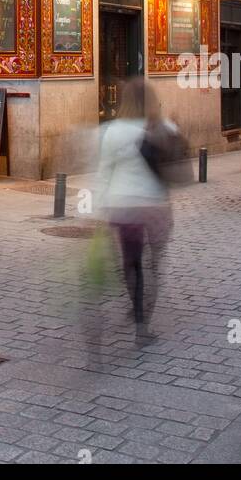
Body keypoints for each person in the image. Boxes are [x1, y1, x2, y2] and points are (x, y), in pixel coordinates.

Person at [96, 77, 175, 346]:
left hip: (124, 206)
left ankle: (136, 306)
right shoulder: (161, 126)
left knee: (131, 264)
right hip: (155, 206)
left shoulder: (112, 130)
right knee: (154, 266)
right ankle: (143, 326)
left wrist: (100, 203)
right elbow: (175, 164)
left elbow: (104, 171)